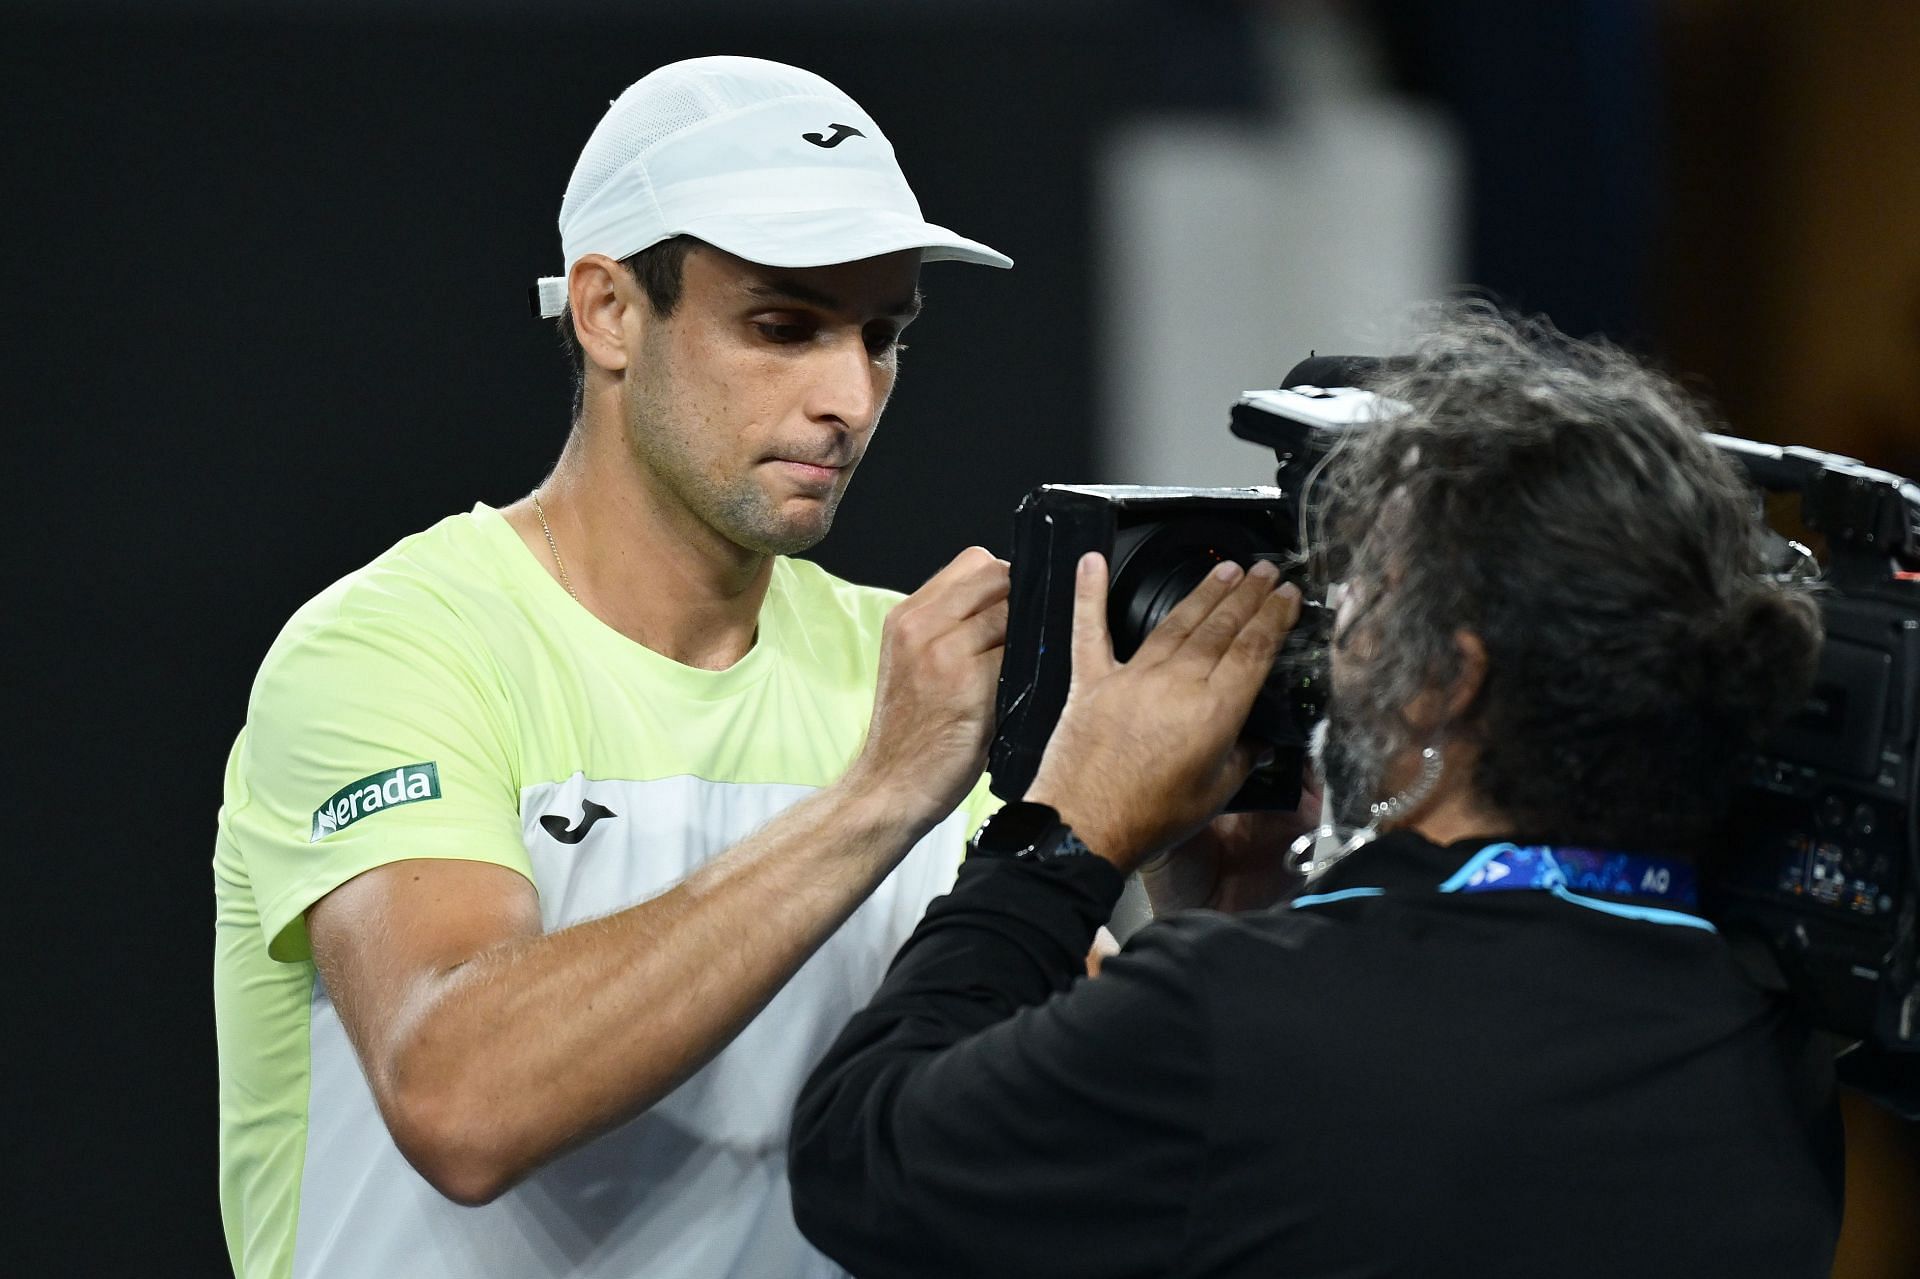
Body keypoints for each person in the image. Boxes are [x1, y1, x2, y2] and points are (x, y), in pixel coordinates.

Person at [789, 306, 1844, 1278]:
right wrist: (1247, 913)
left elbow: (865, 1159)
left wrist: (1062, 828)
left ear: (1445, 682)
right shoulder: (1767, 1026)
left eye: (1368, 589)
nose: (1325, 629)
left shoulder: (1237, 1021)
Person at [214, 55, 1012, 1279]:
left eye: (882, 336)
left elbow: (1066, 1124)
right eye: (784, 325)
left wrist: (1188, 872)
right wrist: (877, 795)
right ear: (609, 313)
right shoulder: (388, 647)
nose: (849, 395)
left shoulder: (904, 666)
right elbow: (462, 1098)